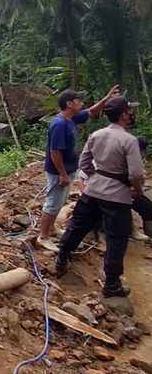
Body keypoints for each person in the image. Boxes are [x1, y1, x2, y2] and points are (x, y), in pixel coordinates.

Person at [54, 96, 144, 297]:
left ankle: (61, 258)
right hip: (117, 195)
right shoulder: (129, 141)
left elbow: (84, 162)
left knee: (77, 225)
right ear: (123, 115)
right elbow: (136, 174)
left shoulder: (96, 135)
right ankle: (111, 284)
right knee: (116, 238)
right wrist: (136, 189)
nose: (131, 115)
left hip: (93, 190)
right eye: (129, 112)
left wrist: (96, 178)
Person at [38, 86, 120, 252]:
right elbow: (55, 152)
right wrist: (62, 174)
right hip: (57, 172)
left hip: (67, 169)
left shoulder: (71, 119)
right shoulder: (59, 124)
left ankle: (52, 228)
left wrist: (106, 99)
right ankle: (43, 236)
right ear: (69, 104)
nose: (82, 103)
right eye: (78, 101)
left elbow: (90, 112)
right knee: (53, 203)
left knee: (59, 201)